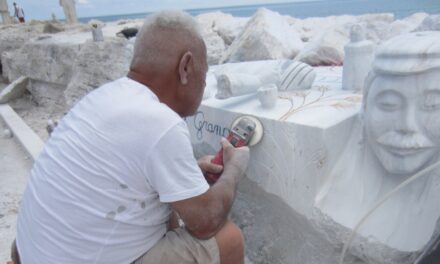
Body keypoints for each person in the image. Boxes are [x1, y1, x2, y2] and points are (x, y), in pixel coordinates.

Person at [13, 10, 249, 264]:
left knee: (166, 208)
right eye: (204, 75)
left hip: (30, 254)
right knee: (228, 238)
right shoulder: (160, 122)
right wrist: (234, 168)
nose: (203, 85)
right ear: (185, 67)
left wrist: (188, 172)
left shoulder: (104, 97)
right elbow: (206, 221)